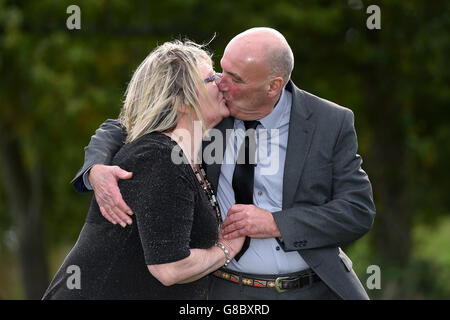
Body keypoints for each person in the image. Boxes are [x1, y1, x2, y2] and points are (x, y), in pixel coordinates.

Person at [72, 28, 376, 300]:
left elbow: (358, 211)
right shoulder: (205, 113)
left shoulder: (330, 122)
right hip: (224, 289)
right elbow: (129, 121)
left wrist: (275, 224)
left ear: (273, 86)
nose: (222, 83)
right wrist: (96, 169)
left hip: (316, 287)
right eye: (221, 72)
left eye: (236, 79)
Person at [43, 40, 244, 300]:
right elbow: (169, 268)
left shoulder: (189, 154)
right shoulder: (157, 157)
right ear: (181, 102)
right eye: (210, 79)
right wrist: (224, 249)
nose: (221, 84)